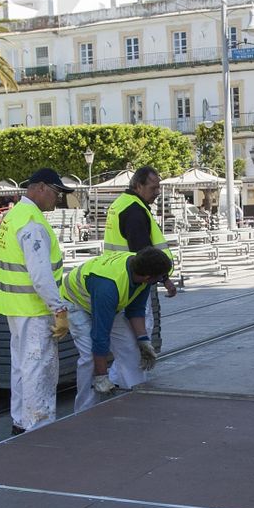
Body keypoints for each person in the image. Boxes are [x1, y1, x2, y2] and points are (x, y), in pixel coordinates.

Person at [0, 168, 73, 435]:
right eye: (55, 192)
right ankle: (38, 425)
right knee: (38, 368)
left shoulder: (13, 216)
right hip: (34, 309)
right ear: (39, 187)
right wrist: (59, 308)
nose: (57, 199)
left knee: (21, 366)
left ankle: (20, 420)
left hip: (15, 308)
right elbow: (40, 275)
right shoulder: (32, 222)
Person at [60, 248, 172, 412]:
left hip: (107, 299)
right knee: (90, 358)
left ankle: (137, 399)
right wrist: (101, 376)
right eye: (160, 279)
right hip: (76, 302)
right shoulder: (109, 287)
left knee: (131, 349)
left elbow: (135, 310)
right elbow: (100, 335)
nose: (162, 281)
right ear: (148, 277)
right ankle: (85, 411)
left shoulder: (141, 271)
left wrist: (143, 342)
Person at [102, 165, 176, 388]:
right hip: (135, 281)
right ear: (138, 185)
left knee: (128, 338)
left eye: (159, 187)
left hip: (120, 277)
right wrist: (164, 277)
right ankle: (131, 383)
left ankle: (120, 379)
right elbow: (144, 253)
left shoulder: (121, 204)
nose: (157, 192)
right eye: (153, 188)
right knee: (138, 335)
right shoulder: (134, 210)